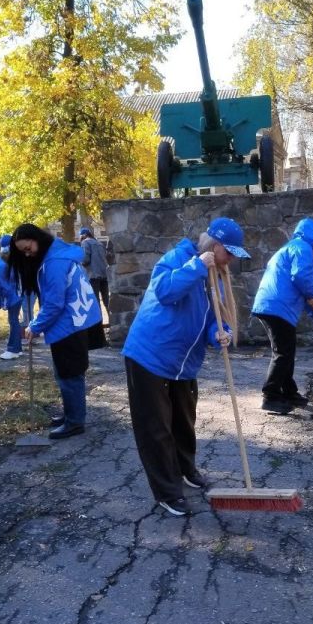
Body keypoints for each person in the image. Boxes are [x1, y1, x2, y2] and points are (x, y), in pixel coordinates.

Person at [121, 217, 247, 517]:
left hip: (182, 364)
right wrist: (197, 267)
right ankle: (167, 491)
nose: (231, 259)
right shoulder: (178, 258)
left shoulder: (216, 273)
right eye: (228, 252)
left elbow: (210, 315)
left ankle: (185, 469)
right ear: (215, 246)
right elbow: (164, 292)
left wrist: (219, 332)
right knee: (157, 428)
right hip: (149, 356)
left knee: (183, 421)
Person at [5, 223, 104, 439]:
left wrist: (35, 326)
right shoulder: (56, 252)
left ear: (36, 239)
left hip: (71, 322)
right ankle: (71, 414)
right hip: (76, 318)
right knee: (66, 372)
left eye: (27, 248)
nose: (27, 254)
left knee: (70, 373)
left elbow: (55, 303)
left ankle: (75, 422)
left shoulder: (54, 263)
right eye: (22, 251)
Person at [251, 217, 313, 414]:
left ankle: (289, 392)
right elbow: (302, 277)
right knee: (283, 352)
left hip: (271, 305)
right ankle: (270, 396)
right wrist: (311, 296)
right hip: (277, 307)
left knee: (286, 351)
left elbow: (302, 284)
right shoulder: (302, 248)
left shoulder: (291, 247)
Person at [79, 227, 109, 320]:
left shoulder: (85, 242)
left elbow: (85, 260)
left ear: (83, 235)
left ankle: (98, 325)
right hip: (104, 275)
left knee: (95, 302)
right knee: (107, 301)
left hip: (93, 276)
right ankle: (113, 323)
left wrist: (79, 261)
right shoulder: (100, 243)